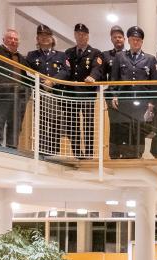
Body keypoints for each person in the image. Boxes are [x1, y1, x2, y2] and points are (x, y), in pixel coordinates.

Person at [110, 26, 157, 159]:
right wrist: (114, 95)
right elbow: (114, 78)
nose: (135, 42)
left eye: (138, 40)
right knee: (124, 128)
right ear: (129, 41)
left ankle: (136, 155)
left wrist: (151, 103)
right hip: (124, 99)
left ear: (141, 42)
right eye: (133, 39)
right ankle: (124, 154)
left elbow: (155, 84)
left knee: (140, 129)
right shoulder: (120, 57)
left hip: (142, 101)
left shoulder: (150, 59)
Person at [26, 25, 69, 157]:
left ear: (52, 39)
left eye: (47, 36)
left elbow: (66, 71)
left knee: (57, 122)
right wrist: (42, 82)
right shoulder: (31, 55)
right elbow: (28, 72)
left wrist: (53, 81)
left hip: (57, 93)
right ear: (37, 39)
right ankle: (41, 151)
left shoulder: (62, 55)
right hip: (40, 93)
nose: (44, 39)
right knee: (41, 122)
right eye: (41, 36)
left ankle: (53, 151)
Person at [64, 23, 103, 159]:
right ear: (75, 35)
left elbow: (97, 68)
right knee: (72, 124)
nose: (81, 37)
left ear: (87, 36)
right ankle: (77, 153)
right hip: (71, 94)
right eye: (78, 34)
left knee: (88, 124)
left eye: (83, 35)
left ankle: (89, 154)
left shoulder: (95, 52)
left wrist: (92, 77)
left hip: (87, 93)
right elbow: (66, 70)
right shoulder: (68, 52)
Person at [102, 26, 126, 158]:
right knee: (115, 124)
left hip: (126, 95)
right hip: (111, 95)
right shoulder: (106, 55)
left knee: (127, 125)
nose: (118, 39)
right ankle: (114, 153)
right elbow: (102, 75)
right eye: (115, 37)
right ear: (111, 39)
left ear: (124, 39)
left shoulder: (129, 55)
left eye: (120, 37)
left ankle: (127, 152)